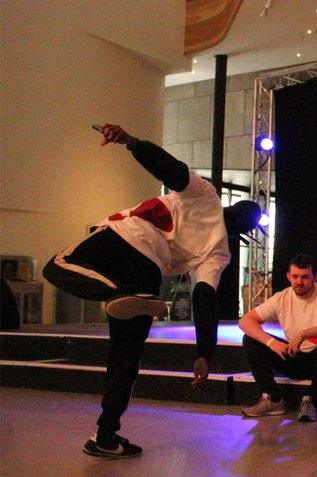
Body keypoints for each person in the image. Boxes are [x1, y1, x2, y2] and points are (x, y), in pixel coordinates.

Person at [43, 123, 260, 459]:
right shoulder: (220, 252)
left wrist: (130, 141)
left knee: (57, 265)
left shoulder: (206, 194)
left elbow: (169, 168)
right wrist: (204, 353)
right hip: (148, 275)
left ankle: (118, 295)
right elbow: (204, 297)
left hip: (122, 239)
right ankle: (106, 435)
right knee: (125, 355)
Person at [238, 254, 317, 422]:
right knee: (251, 339)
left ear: (315, 277)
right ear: (288, 276)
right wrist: (272, 343)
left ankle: (310, 400)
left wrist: (303, 334)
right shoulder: (282, 297)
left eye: (305, 277)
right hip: (296, 357)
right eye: (295, 276)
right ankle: (273, 399)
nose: (299, 281)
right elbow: (245, 321)